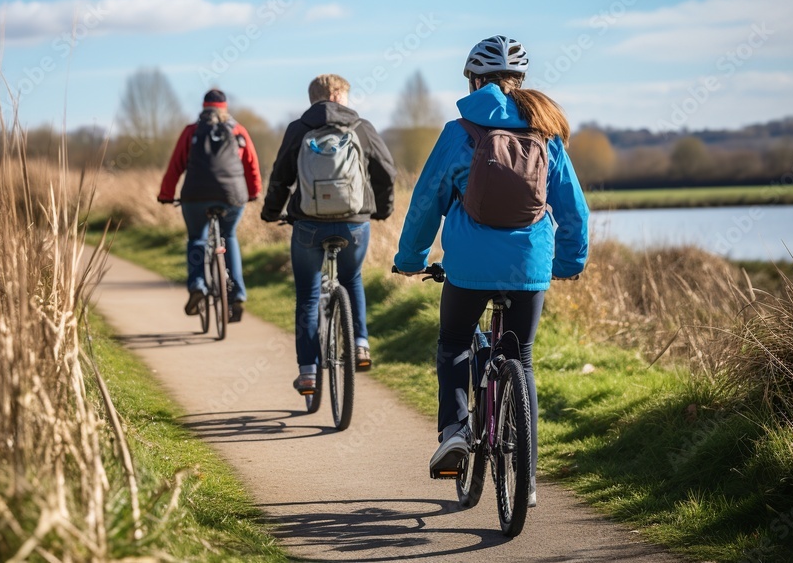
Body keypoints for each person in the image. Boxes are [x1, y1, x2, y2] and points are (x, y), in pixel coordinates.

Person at [393, 35, 589, 507]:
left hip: (467, 268)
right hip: (529, 267)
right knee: (520, 359)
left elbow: (426, 203)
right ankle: (528, 476)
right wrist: (566, 263)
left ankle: (456, 429)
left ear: (474, 81)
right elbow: (574, 211)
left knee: (456, 343)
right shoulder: (547, 132)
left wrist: (411, 260)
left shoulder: (459, 131)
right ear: (519, 81)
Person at [261, 74, 396, 392]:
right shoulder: (361, 127)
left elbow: (280, 177)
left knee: (308, 294)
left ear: (315, 98)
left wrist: (270, 212)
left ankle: (308, 372)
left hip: (308, 223)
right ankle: (361, 343)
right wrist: (381, 210)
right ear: (341, 96)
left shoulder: (299, 128)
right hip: (355, 223)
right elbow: (387, 171)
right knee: (352, 280)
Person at [159, 89, 262, 323]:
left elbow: (176, 165)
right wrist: (254, 192)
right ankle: (236, 295)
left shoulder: (191, 131)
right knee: (229, 236)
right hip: (232, 196)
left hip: (195, 195)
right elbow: (251, 165)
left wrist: (166, 194)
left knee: (197, 237)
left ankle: (197, 285)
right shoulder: (238, 130)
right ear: (224, 108)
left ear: (204, 107)